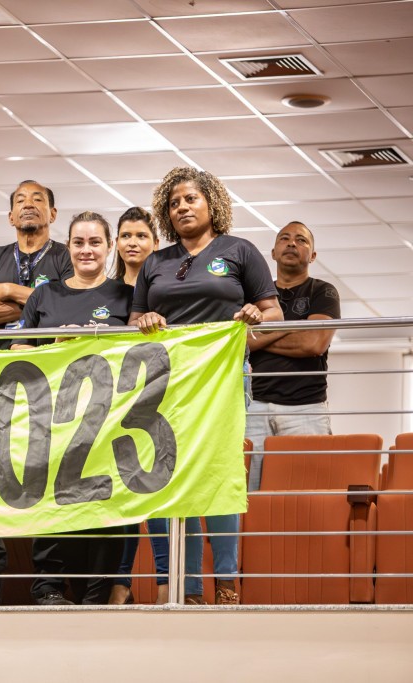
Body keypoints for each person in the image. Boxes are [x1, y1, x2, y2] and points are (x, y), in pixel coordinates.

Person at [130, 166, 283, 605]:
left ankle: (227, 583)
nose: (182, 207)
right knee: (170, 478)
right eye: (174, 203)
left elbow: (274, 313)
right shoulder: (156, 262)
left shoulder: (239, 250)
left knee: (217, 475)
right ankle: (190, 588)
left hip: (222, 380)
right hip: (167, 383)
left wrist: (254, 318)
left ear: (211, 204)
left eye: (191, 199)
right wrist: (146, 319)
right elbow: (134, 319)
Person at [0, 180, 73, 607]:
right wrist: (38, 303)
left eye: (38, 199)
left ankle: (49, 584)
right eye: (20, 200)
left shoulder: (64, 256)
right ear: (9, 216)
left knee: (47, 478)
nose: (28, 205)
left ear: (53, 214)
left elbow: (66, 308)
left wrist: (4, 291)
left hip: (46, 386)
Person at [11, 211, 134, 605]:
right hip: (53, 420)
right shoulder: (44, 295)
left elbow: (139, 350)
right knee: (52, 503)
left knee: (103, 509)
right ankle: (49, 588)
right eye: (78, 242)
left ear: (109, 246)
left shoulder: (125, 295)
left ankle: (96, 594)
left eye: (95, 242)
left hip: (107, 421)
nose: (86, 250)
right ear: (68, 247)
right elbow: (18, 350)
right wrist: (54, 346)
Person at [245, 221, 340, 491]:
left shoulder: (323, 291)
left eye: (301, 240)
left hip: (306, 408)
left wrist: (262, 335)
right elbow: (241, 343)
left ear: (313, 255)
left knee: (306, 493)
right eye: (284, 238)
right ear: (273, 253)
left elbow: (313, 343)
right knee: (249, 495)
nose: (291, 243)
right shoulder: (255, 298)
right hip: (255, 407)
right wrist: (291, 327)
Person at [107, 207, 169, 606]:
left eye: (141, 235)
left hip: (158, 398)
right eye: (126, 235)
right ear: (116, 243)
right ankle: (120, 583)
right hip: (115, 402)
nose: (133, 242)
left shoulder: (166, 287)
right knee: (123, 494)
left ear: (155, 243)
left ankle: (165, 582)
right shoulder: (107, 291)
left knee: (156, 491)